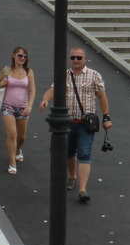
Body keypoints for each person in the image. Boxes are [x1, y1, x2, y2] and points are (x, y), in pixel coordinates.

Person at [40, 48, 112, 202]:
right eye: (73, 57)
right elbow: (52, 90)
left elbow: (102, 98)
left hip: (86, 123)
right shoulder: (64, 75)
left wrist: (106, 117)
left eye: (79, 57)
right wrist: (45, 99)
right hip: (67, 122)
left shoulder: (94, 75)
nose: (75, 60)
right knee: (68, 153)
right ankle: (72, 177)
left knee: (84, 153)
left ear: (85, 59)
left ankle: (83, 189)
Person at [0, 46, 35, 174]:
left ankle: (18, 150)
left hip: (23, 107)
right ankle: (12, 163)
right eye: (20, 55)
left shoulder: (28, 72)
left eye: (24, 56)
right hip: (8, 106)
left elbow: (32, 90)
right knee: (12, 134)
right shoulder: (7, 70)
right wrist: (1, 83)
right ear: (14, 56)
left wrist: (29, 105)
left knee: (22, 137)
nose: (22, 58)